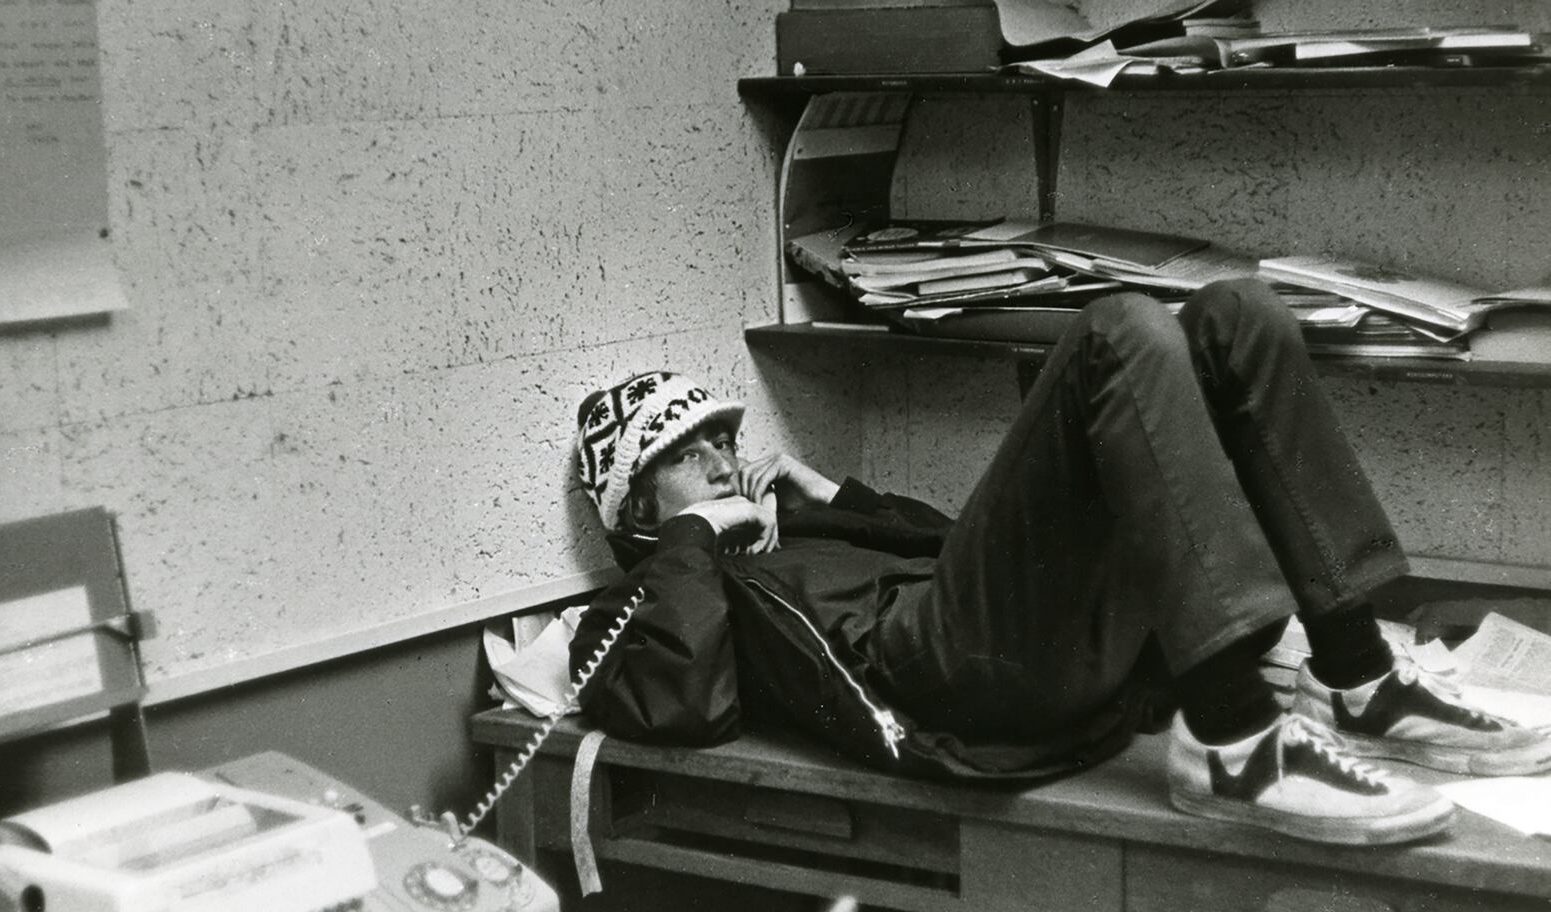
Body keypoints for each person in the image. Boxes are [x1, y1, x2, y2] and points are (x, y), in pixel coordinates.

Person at [569, 279, 1551, 847]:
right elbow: (680, 701)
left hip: (1013, 643)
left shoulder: (795, 536)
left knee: (1234, 315)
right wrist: (693, 538)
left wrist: (842, 501)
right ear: (634, 511)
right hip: (939, 678)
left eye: (716, 439)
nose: (715, 460)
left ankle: (1360, 676)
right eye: (678, 460)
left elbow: (967, 548)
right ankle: (1240, 744)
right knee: (1116, 332)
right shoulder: (661, 599)